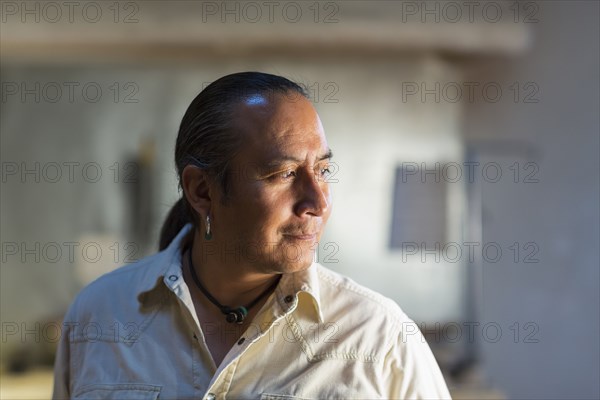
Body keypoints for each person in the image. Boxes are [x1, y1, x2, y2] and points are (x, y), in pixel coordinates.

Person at [53, 72, 451, 399]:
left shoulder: (380, 339)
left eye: (323, 171)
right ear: (202, 191)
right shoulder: (98, 316)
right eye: (284, 174)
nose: (317, 202)